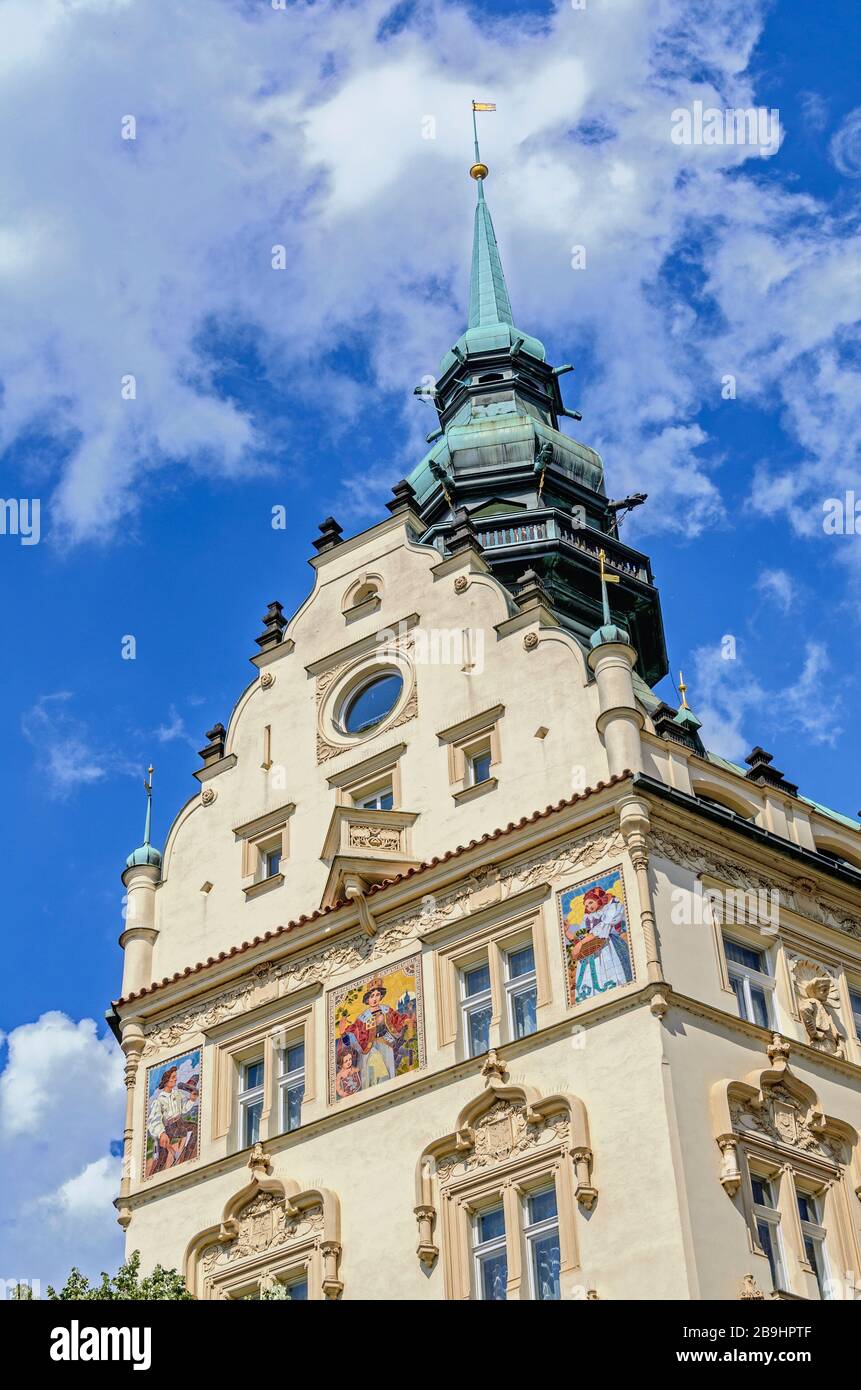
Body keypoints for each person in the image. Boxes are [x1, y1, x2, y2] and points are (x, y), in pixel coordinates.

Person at [566, 884, 631, 1000]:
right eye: (586, 905)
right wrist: (567, 933)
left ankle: (614, 987)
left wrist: (581, 943)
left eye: (590, 902)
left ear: (598, 899)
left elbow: (601, 929)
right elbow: (581, 938)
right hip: (591, 949)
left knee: (611, 970)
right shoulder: (587, 918)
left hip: (607, 945)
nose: (589, 906)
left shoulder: (609, 910)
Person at [347, 978, 409, 1088]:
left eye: (377, 995)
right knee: (375, 1066)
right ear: (367, 999)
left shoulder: (386, 1010)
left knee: (388, 1067)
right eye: (372, 996)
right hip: (370, 1047)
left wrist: (404, 1020)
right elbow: (355, 1032)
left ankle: (389, 1088)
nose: (375, 999)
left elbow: (397, 1019)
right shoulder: (363, 1017)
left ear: (381, 996)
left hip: (386, 1043)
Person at [147, 1063, 199, 1175]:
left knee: (195, 1128)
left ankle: (186, 1159)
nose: (175, 1080)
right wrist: (161, 1133)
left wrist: (191, 1100)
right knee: (162, 1158)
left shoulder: (177, 1094)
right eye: (173, 1077)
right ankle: (156, 1177)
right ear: (167, 1080)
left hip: (179, 1123)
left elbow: (184, 1109)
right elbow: (154, 1119)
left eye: (175, 1077)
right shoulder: (159, 1100)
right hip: (167, 1128)